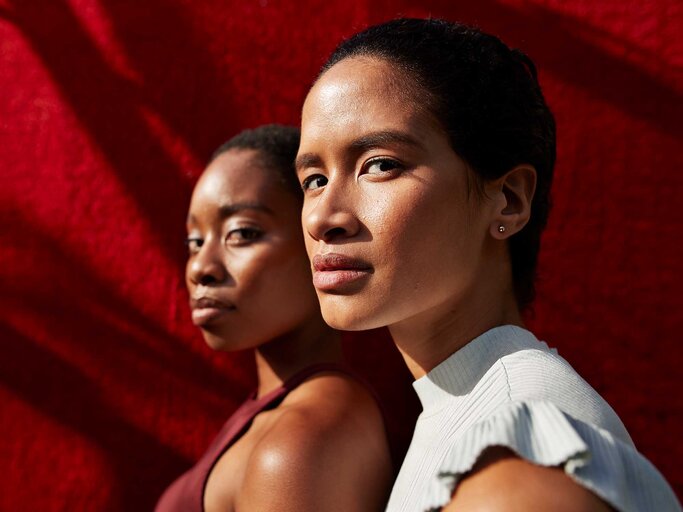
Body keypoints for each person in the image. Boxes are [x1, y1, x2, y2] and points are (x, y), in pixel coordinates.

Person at [295, 18, 681, 512]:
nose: (324, 217)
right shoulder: (464, 416)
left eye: (380, 163)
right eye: (313, 179)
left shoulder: (517, 466)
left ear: (509, 201)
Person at [156, 125, 392, 512]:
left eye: (242, 233)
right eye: (194, 242)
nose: (201, 267)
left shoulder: (308, 434)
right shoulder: (278, 412)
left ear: (316, 236)